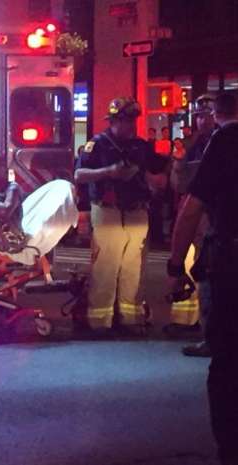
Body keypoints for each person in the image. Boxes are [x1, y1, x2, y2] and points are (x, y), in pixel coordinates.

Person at [167, 93, 238, 465]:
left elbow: (191, 206)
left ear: (219, 114)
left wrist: (175, 264)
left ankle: (230, 448)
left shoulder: (224, 141)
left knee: (227, 361)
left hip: (231, 260)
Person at [74, 97, 168, 336]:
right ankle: (100, 323)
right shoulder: (97, 144)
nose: (131, 125)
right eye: (126, 121)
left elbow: (159, 170)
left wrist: (155, 178)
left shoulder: (140, 146)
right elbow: (79, 174)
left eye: (133, 120)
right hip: (108, 211)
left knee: (133, 269)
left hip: (137, 211)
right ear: (113, 121)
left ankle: (131, 319)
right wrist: (109, 172)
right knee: (105, 268)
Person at [165, 94, 216, 356]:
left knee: (209, 271)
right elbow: (178, 185)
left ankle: (211, 333)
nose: (201, 121)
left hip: (213, 215)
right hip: (194, 211)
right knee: (189, 266)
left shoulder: (223, 142)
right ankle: (186, 320)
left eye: (206, 115)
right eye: (198, 116)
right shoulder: (193, 145)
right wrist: (178, 163)